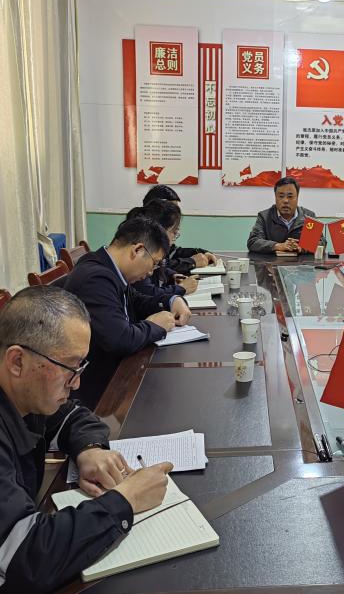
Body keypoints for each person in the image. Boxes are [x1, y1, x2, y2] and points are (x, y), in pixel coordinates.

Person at [0, 286, 172, 593]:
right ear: (17, 362)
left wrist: (89, 449)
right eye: (70, 368)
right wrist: (126, 500)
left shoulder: (27, 392)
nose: (77, 382)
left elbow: (73, 416)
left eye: (81, 367)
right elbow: (26, 556)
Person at [64, 216, 192, 408]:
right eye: (154, 263)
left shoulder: (108, 268)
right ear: (138, 250)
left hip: (117, 373)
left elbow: (137, 301)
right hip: (100, 389)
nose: (151, 272)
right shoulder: (96, 278)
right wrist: (154, 326)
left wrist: (172, 300)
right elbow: (120, 339)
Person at [128, 199, 198, 298]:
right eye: (174, 232)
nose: (174, 238)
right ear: (160, 230)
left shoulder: (153, 251)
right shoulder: (142, 252)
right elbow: (147, 292)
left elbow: (161, 267)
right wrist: (181, 288)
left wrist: (172, 275)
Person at [142, 185, 218, 274]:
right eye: (172, 210)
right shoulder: (140, 235)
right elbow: (159, 266)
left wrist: (201, 253)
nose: (176, 216)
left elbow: (174, 252)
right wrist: (192, 262)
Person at [247, 177, 325, 254]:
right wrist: (277, 246)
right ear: (275, 197)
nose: (285, 201)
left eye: (290, 196)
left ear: (297, 197)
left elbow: (321, 243)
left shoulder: (308, 217)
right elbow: (253, 242)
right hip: (272, 262)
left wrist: (302, 247)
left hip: (301, 262)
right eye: (281, 196)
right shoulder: (264, 216)